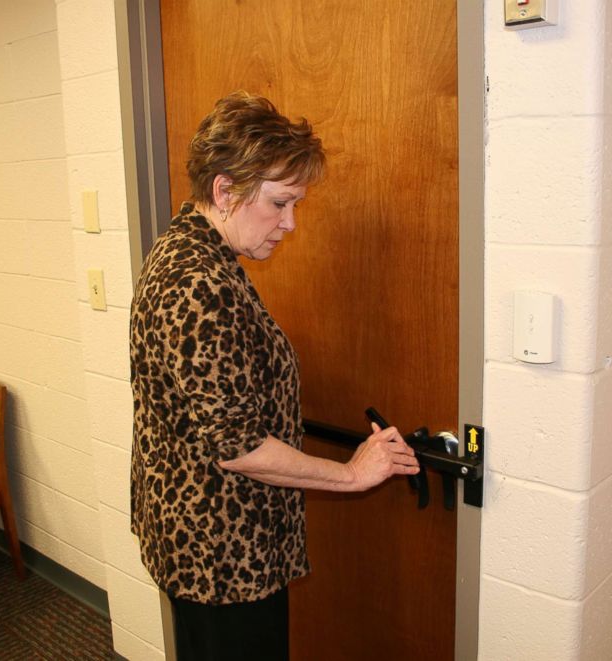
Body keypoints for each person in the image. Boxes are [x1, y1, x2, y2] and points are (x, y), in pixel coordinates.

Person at [129, 91, 420, 661]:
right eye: (280, 203)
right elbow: (237, 447)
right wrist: (352, 476)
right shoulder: (198, 283)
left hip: (203, 538)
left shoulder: (196, 251)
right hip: (220, 554)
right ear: (224, 190)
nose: (290, 224)